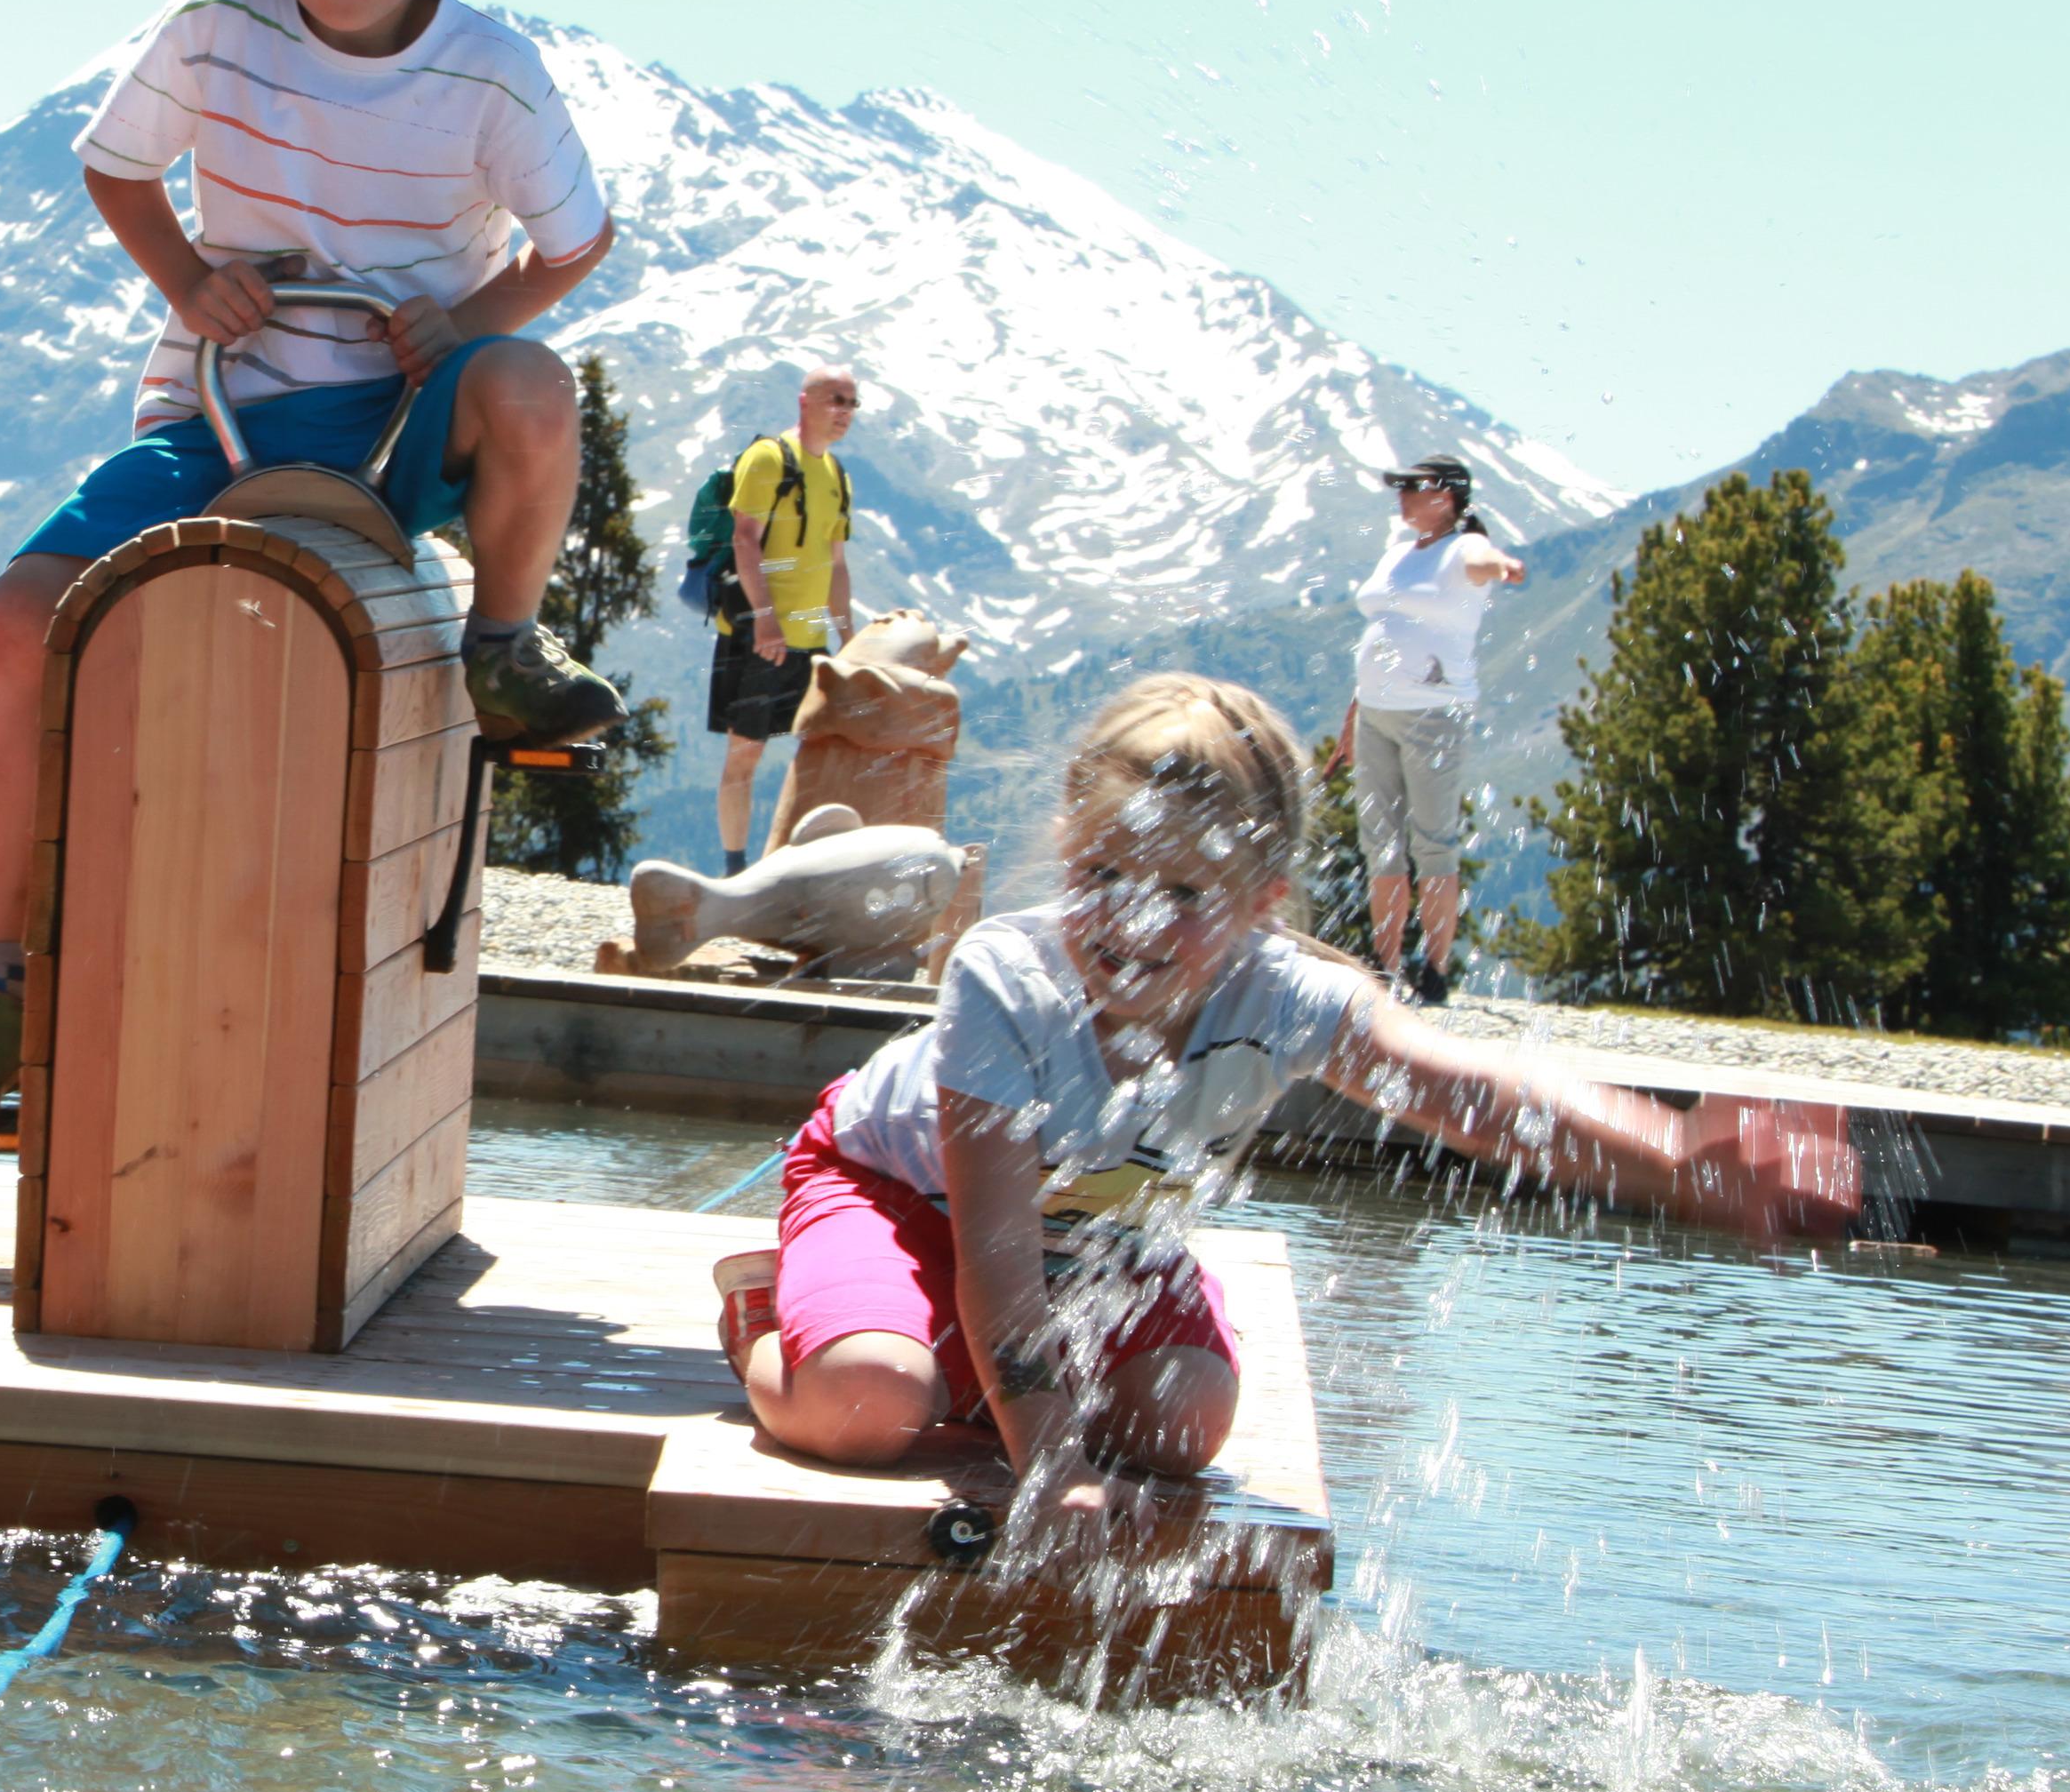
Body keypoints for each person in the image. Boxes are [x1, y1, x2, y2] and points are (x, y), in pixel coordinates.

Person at [0, 0, 625, 1130]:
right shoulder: (216, 27)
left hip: (409, 407)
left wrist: (461, 322)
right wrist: (189, 280)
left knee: (532, 383)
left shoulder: (493, 76)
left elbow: (574, 241)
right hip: (234, 401)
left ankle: (503, 644)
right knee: (16, 617)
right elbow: (116, 165)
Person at [714, 675, 1853, 1527]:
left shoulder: (1280, 992)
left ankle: (950, 1362)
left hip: (1096, 1238)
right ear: (1065, 855)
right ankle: (769, 1320)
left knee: (1179, 1422)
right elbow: (996, 1261)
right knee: (865, 1404)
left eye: (1182, 892)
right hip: (903, 1195)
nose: (1133, 921)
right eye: (1102, 876)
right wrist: (1050, 1468)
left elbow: (1467, 1089)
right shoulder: (1006, 983)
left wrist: (1673, 1155)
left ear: (1261, 901)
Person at [1335, 452, 1527, 1004]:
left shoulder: (1464, 547)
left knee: (1433, 842)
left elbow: (1487, 560)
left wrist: (1505, 566)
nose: (1401, 496)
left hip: (1434, 713)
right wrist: (1352, 719)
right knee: (1381, 843)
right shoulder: (1397, 553)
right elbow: (1385, 633)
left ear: (1445, 497)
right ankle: (1386, 963)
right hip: (1376, 711)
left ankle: (1435, 967)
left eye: (1412, 488)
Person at [705, 369, 862, 871]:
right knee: (744, 755)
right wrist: (766, 619)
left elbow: (836, 565)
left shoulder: (837, 475)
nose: (845, 412)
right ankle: (734, 870)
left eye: (852, 403)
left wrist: (849, 639)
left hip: (811, 641)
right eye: (836, 399)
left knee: (817, 756)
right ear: (805, 402)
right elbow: (744, 538)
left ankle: (795, 870)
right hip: (758, 636)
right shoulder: (769, 458)